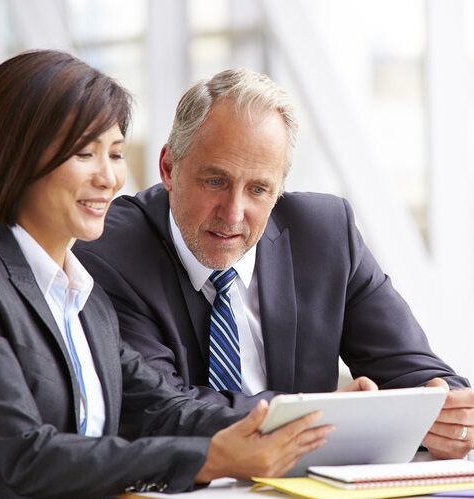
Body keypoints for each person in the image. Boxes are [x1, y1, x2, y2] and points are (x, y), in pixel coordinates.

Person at [0, 51, 337, 499]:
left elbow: (166, 410)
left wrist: (318, 421)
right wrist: (210, 459)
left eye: (116, 153)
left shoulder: (82, 298)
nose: (109, 178)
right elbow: (25, 457)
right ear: (15, 158)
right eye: (85, 153)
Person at [74, 67, 474, 461]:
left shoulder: (326, 234)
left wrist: (447, 414)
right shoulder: (110, 250)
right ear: (169, 168)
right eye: (215, 181)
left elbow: (415, 372)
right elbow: (159, 409)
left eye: (259, 189)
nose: (233, 214)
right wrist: (315, 415)